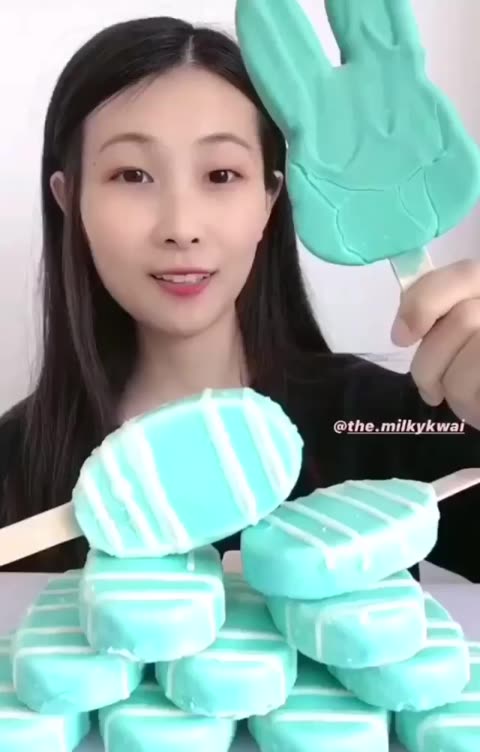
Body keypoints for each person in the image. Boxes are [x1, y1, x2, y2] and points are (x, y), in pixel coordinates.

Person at [0, 17, 479, 581]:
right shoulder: (15, 460)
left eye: (222, 174)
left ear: (271, 197)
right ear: (70, 200)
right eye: (132, 175)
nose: (181, 227)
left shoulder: (379, 425)